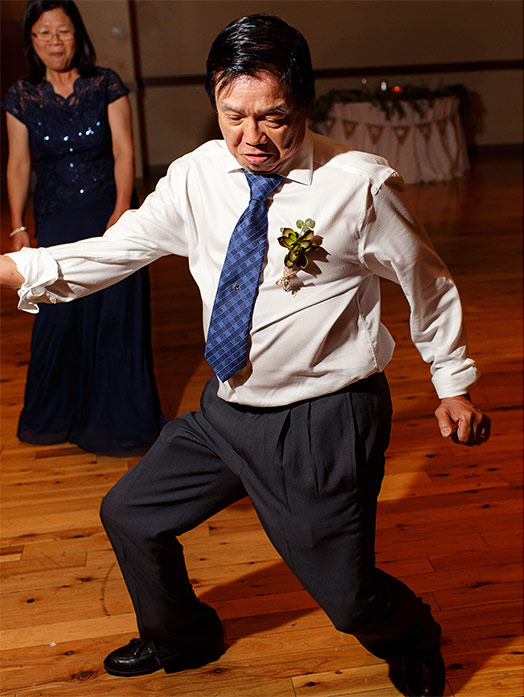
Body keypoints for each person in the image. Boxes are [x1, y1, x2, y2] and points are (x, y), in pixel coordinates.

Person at [0, 15, 491, 697]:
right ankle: (182, 635)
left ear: (305, 105)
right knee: (131, 514)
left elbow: (427, 282)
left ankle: (414, 635)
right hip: (227, 409)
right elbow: (117, 250)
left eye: (273, 117)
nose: (251, 137)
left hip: (323, 417)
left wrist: (451, 381)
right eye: (233, 116)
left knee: (348, 599)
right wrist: (14, 271)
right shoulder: (198, 175)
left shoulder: (360, 186)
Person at [1, 0, 163, 455]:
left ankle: (120, 423)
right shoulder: (21, 95)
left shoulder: (105, 82)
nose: (54, 41)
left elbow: (124, 150)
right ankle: (58, 416)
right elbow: (19, 163)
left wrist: (123, 209)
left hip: (107, 209)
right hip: (55, 213)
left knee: (116, 314)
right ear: (32, 40)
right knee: (58, 317)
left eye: (63, 31)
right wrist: (17, 225)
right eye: (44, 32)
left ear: (78, 34)